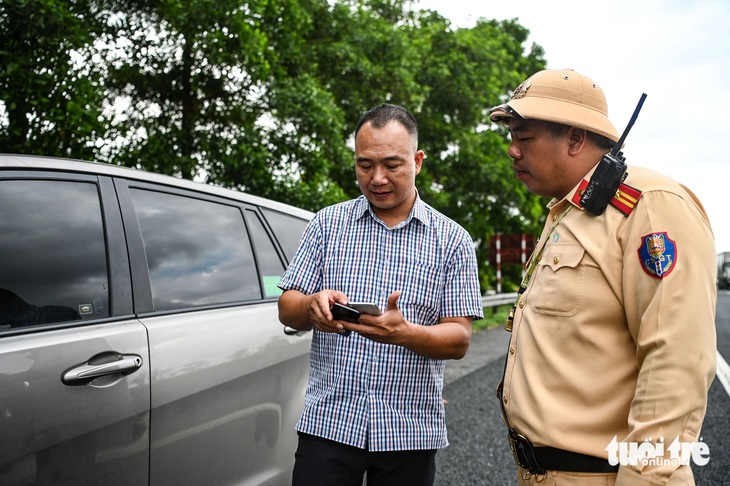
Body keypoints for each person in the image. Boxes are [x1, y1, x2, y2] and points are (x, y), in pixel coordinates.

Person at [488, 68, 717, 485]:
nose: (512, 151)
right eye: (511, 138)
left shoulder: (650, 206)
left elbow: (676, 360)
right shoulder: (567, 213)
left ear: (575, 138)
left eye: (523, 137)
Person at [277, 103, 483, 486]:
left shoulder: (452, 240)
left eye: (392, 164)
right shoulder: (327, 224)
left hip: (408, 430)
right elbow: (288, 309)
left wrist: (404, 333)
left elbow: (459, 339)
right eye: (365, 165)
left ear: (418, 160)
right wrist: (313, 305)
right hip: (329, 425)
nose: (377, 178)